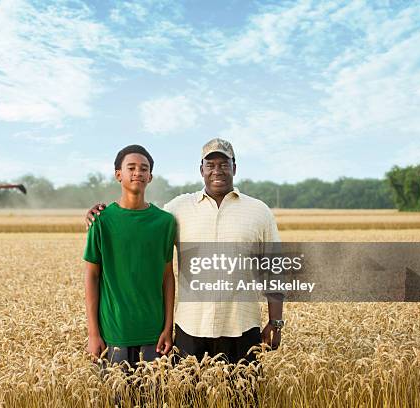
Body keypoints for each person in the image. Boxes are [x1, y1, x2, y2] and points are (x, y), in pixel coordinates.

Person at [85, 139, 284, 365]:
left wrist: (275, 322)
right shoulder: (178, 208)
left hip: (242, 327)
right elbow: (140, 217)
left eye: (224, 164)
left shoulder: (259, 211)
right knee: (188, 397)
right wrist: (98, 213)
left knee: (244, 398)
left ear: (234, 168)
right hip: (191, 330)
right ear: (201, 170)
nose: (217, 170)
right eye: (210, 165)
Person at [83, 144, 177, 368]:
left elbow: (167, 276)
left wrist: (168, 328)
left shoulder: (165, 222)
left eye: (144, 169)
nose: (138, 173)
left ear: (150, 177)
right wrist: (93, 333)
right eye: (131, 167)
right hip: (113, 334)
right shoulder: (101, 221)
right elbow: (91, 276)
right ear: (118, 174)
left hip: (154, 335)